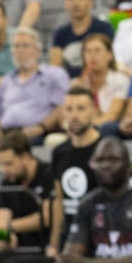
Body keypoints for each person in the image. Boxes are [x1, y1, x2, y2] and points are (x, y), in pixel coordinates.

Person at [0, 28, 70, 144]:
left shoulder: (54, 74)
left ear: (38, 51)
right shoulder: (7, 79)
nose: (20, 51)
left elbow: (61, 108)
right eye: (16, 46)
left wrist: (41, 127)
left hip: (39, 132)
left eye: (25, 46)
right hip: (7, 134)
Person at [46, 89, 104, 253]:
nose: (74, 115)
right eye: (69, 109)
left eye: (81, 108)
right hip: (70, 238)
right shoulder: (59, 152)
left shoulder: (106, 149)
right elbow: (59, 200)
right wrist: (54, 243)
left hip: (100, 237)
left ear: (93, 111)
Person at [50, 0, 114, 76]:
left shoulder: (104, 29)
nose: (76, 3)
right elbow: (55, 68)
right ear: (65, 4)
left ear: (90, 2)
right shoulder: (60, 33)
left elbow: (110, 61)